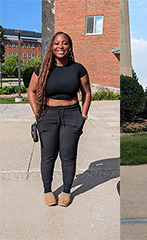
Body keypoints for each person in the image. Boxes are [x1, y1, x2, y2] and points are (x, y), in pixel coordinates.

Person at [28, 32, 91, 207]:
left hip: (72, 114)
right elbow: (31, 91)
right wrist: (37, 114)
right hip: (48, 115)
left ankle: (66, 190)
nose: (60, 46)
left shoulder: (78, 69)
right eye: (57, 43)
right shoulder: (43, 69)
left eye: (64, 43)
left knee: (68, 156)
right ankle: (47, 190)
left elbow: (87, 93)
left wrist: (83, 116)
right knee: (48, 156)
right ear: (52, 47)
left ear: (69, 46)